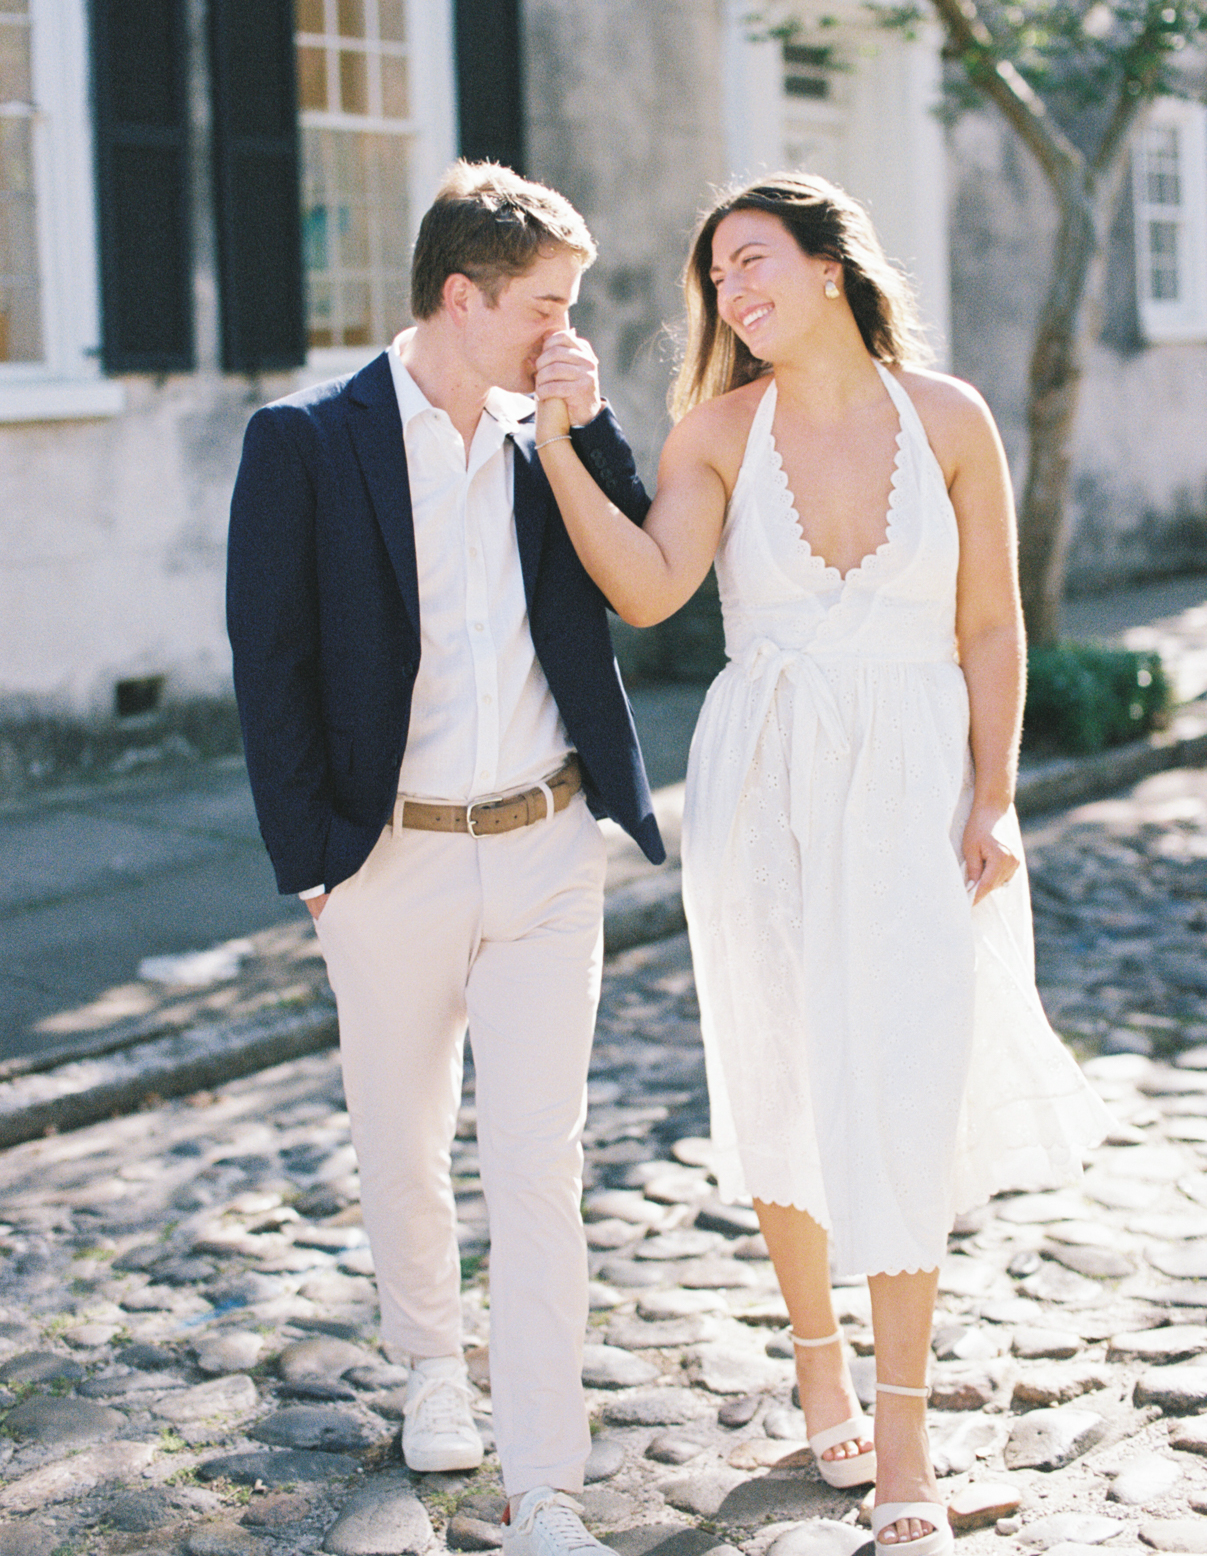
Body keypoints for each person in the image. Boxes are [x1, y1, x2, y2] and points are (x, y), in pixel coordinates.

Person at [532, 173, 1114, 1556]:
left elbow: (990, 623)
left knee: (906, 1080)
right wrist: (560, 446)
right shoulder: (716, 431)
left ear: (833, 264)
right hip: (771, 777)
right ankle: (818, 1369)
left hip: (919, 781)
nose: (731, 294)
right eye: (716, 280)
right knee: (782, 1063)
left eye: (751, 262)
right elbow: (652, 587)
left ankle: (904, 1428)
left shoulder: (956, 419)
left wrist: (998, 794)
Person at [226, 160, 664, 1556]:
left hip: (545, 849)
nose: (570, 333)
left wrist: (587, 432)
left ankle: (545, 1489)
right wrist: (317, 864)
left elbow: (634, 573)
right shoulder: (303, 441)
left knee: (539, 1165)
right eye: (550, 307)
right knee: (403, 1139)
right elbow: (269, 662)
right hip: (388, 862)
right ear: (464, 300)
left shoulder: (554, 427)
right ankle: (429, 1363)